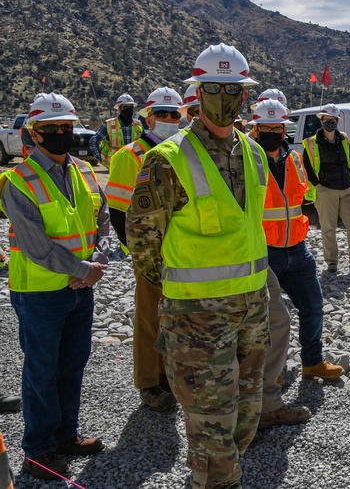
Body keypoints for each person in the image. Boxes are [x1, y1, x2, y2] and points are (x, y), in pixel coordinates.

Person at [126, 43, 270, 489]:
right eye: (214, 88)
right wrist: (176, 291)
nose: (225, 98)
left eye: (234, 89)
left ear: (244, 95)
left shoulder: (254, 153)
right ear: (197, 93)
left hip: (251, 309)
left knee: (243, 421)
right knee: (212, 435)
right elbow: (143, 243)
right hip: (196, 317)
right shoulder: (167, 159)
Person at [0, 93, 110, 481]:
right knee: (43, 370)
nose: (62, 134)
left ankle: (65, 435)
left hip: (81, 287)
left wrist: (97, 261)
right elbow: (34, 244)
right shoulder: (19, 180)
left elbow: (103, 220)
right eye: (52, 129)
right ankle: (38, 451)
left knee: (73, 364)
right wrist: (82, 268)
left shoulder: (82, 171)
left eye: (66, 127)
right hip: (41, 292)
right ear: (34, 133)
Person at [251, 99, 344, 431]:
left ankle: (312, 362)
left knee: (313, 305)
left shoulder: (295, 160)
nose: (275, 133)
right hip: (265, 251)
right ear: (256, 128)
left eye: (279, 128)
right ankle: (270, 374)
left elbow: (303, 199)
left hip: (297, 248)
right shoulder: (248, 160)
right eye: (268, 128)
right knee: (272, 319)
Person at [105, 87, 184, 413]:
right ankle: (148, 382)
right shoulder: (130, 155)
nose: (169, 119)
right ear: (147, 117)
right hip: (150, 254)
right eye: (162, 114)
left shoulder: (182, 150)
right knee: (150, 319)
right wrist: (139, 253)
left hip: (181, 252)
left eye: (174, 114)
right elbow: (118, 212)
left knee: (175, 318)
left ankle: (168, 376)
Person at [303, 103, 350, 273]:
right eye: (327, 120)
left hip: (345, 188)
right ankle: (332, 262)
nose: (330, 122)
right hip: (326, 190)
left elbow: (348, 158)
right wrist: (318, 186)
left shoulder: (343, 138)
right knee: (328, 227)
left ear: (337, 121)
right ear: (321, 121)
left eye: (333, 120)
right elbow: (307, 167)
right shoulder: (311, 142)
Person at [89, 93, 142, 167]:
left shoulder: (138, 124)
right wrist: (101, 159)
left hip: (134, 165)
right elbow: (93, 141)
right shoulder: (109, 124)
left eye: (131, 107)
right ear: (119, 109)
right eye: (126, 107)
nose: (129, 110)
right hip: (115, 166)